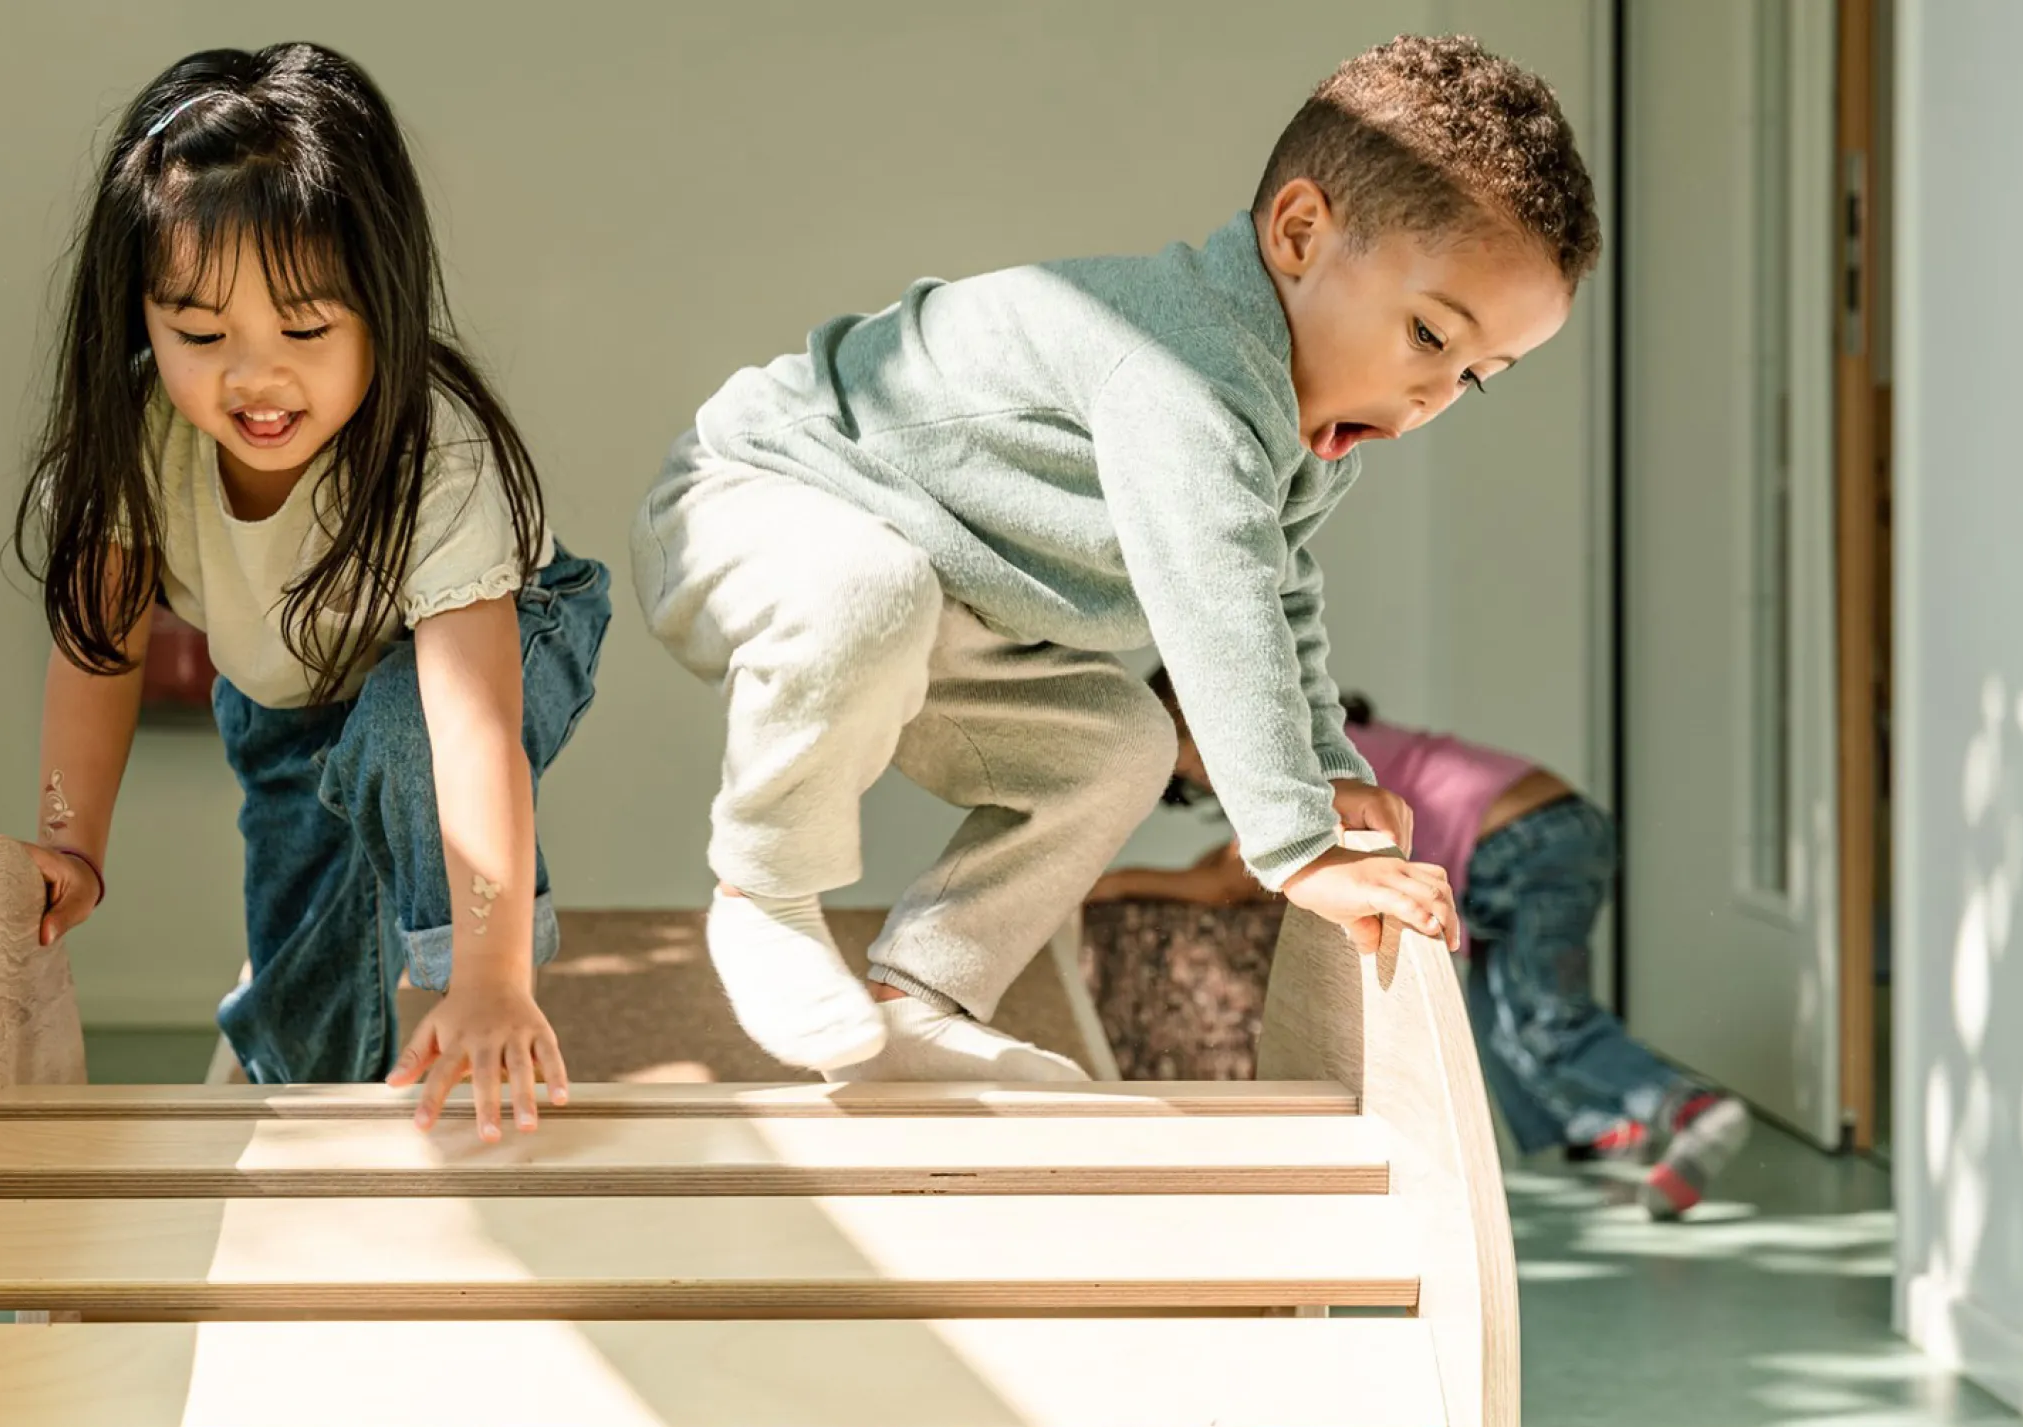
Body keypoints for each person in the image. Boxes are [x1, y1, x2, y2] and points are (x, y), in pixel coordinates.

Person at [630, 37, 1596, 1080]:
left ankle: (921, 999)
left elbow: (1277, 594)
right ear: (1299, 233)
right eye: (1429, 337)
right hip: (761, 498)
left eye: (1477, 376)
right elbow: (1218, 603)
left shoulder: (1293, 431)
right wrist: (1297, 845)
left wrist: (1325, 768)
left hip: (935, 598)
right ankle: (765, 892)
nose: (1435, 395)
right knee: (873, 588)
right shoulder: (1181, 373)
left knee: (1121, 744)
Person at [12, 43, 609, 1140]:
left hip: (498, 645)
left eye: (305, 328)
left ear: (380, 305)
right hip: (286, 693)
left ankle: (467, 997)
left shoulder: (437, 454)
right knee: (307, 995)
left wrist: (490, 975)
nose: (256, 376)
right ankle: (297, 1053)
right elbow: (98, 649)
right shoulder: (132, 439)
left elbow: (467, 728)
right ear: (141, 315)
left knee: (400, 730)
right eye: (200, 334)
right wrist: (72, 844)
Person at [1093, 673, 1752, 1219]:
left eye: (1199, 759)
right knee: (1499, 1028)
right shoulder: (1329, 744)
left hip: (1523, 843)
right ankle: (1610, 1134)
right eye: (1194, 777)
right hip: (1544, 834)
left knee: (1543, 1021)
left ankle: (1689, 1106)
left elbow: (1229, 877)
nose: (1207, 781)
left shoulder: (1304, 761)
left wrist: (1111, 881)